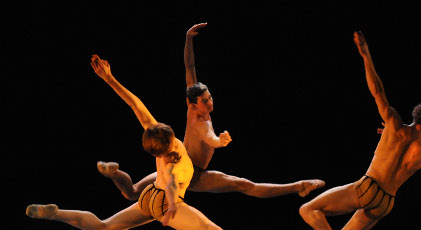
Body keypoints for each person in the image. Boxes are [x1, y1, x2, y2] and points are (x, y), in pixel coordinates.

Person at [26, 56, 299, 230]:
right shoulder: (174, 156)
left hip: (148, 199)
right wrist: (169, 212)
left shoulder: (155, 138)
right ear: (169, 138)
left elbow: (135, 104)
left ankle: (57, 213)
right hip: (165, 202)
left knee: (104, 228)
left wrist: (109, 79)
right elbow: (169, 184)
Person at [291, 31, 421, 230]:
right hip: (386, 203)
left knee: (308, 209)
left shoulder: (396, 128)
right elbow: (405, 161)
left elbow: (377, 91)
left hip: (369, 188)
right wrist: (388, 136)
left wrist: (366, 55)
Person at [97, 23, 325, 201]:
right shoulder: (200, 122)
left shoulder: (193, 108)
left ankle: (113, 173)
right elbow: (210, 139)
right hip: (193, 173)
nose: (210, 102)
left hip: (176, 160)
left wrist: (188, 40)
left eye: (210, 98)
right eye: (205, 101)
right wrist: (221, 141)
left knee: (133, 192)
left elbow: (189, 68)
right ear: (193, 104)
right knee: (244, 185)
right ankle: (299, 186)